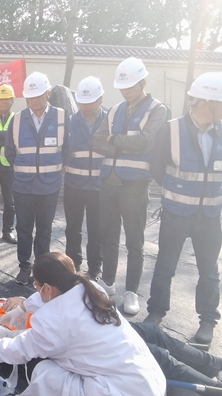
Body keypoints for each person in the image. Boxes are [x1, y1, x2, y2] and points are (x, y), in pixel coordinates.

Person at [0, 252, 166, 395]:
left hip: (118, 390)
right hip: (149, 377)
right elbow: (53, 299)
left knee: (46, 371)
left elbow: (13, 351)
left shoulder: (54, 321)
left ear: (47, 288)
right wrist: (23, 307)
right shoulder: (90, 288)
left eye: (36, 285)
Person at [0, 296, 222, 389]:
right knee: (155, 354)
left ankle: (214, 364)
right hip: (64, 338)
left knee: (151, 331)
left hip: (76, 321)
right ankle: (212, 388)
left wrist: (22, 300)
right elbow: (14, 344)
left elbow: (37, 299)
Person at [144, 72, 222, 345]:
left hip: (210, 216)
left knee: (209, 270)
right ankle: (156, 312)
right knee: (165, 265)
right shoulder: (171, 129)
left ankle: (207, 321)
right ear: (206, 103)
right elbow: (156, 167)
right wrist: (177, 192)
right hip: (176, 213)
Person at [93, 57, 168, 315]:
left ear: (143, 82)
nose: (126, 91)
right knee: (108, 237)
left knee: (135, 241)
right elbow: (97, 141)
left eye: (131, 86)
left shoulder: (157, 109)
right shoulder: (115, 110)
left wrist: (114, 140)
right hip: (108, 182)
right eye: (122, 87)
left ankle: (132, 291)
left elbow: (147, 142)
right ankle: (108, 283)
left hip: (134, 185)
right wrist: (124, 144)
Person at [5, 72, 69, 285]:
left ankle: (41, 271)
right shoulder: (17, 119)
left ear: (48, 94)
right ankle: (24, 267)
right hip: (23, 186)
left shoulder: (61, 117)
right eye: (30, 97)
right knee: (23, 229)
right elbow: (9, 152)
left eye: (38, 96)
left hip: (49, 186)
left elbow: (67, 148)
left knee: (44, 230)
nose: (34, 101)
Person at [63, 76, 107, 280]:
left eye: (91, 102)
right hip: (74, 185)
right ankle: (72, 265)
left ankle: (95, 268)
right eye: (82, 102)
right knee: (73, 228)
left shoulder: (109, 121)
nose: (86, 106)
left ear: (101, 99)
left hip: (100, 187)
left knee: (97, 230)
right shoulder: (70, 122)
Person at [0, 84, 17, 244]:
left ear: (12, 101)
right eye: (1, 99)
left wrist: (2, 137)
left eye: (7, 99)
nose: (4, 102)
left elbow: (17, 139)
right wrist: (6, 137)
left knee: (10, 202)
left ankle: (8, 231)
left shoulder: (17, 119)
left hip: (9, 166)